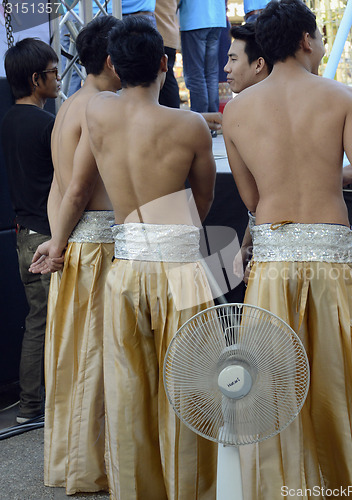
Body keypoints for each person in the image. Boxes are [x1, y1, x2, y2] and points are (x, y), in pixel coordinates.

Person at [222, 1, 352, 498]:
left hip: (272, 261)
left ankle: (282, 485)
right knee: (344, 377)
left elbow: (251, 199)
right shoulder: (339, 97)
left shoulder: (237, 111)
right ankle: (347, 483)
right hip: (331, 259)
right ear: (308, 41)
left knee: (274, 382)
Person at [85, 16, 216, 499]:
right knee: (189, 385)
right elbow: (203, 201)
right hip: (179, 266)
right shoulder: (189, 125)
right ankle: (191, 490)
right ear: (165, 63)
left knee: (129, 393)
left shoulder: (96, 112)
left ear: (115, 67)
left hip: (126, 267)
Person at [29, 16, 122, 495]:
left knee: (77, 354)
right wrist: (59, 241)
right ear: (112, 60)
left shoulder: (67, 107)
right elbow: (79, 188)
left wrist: (57, 238)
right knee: (99, 356)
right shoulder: (99, 108)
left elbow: (58, 189)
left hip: (74, 242)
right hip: (94, 246)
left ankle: (79, 460)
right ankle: (97, 463)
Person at [0, 38, 59, 425]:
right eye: (53, 74)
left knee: (37, 319)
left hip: (24, 235)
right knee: (46, 322)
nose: (57, 80)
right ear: (37, 79)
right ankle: (32, 407)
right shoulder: (46, 124)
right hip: (44, 239)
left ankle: (30, 406)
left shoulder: (7, 120)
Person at [178, 0, 226, 113]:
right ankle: (212, 121)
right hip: (217, 17)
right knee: (211, 74)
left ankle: (200, 119)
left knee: (195, 74)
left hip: (194, 18)